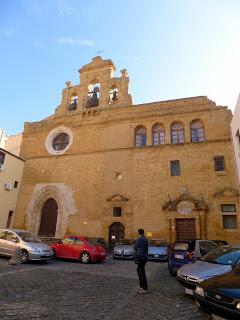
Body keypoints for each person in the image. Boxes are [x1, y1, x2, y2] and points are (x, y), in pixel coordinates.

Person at [134, 228, 149, 294]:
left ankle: (144, 288)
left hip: (140, 256)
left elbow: (135, 247)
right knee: (139, 270)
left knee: (141, 272)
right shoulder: (145, 239)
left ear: (138, 233)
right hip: (145, 257)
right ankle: (141, 286)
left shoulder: (140, 239)